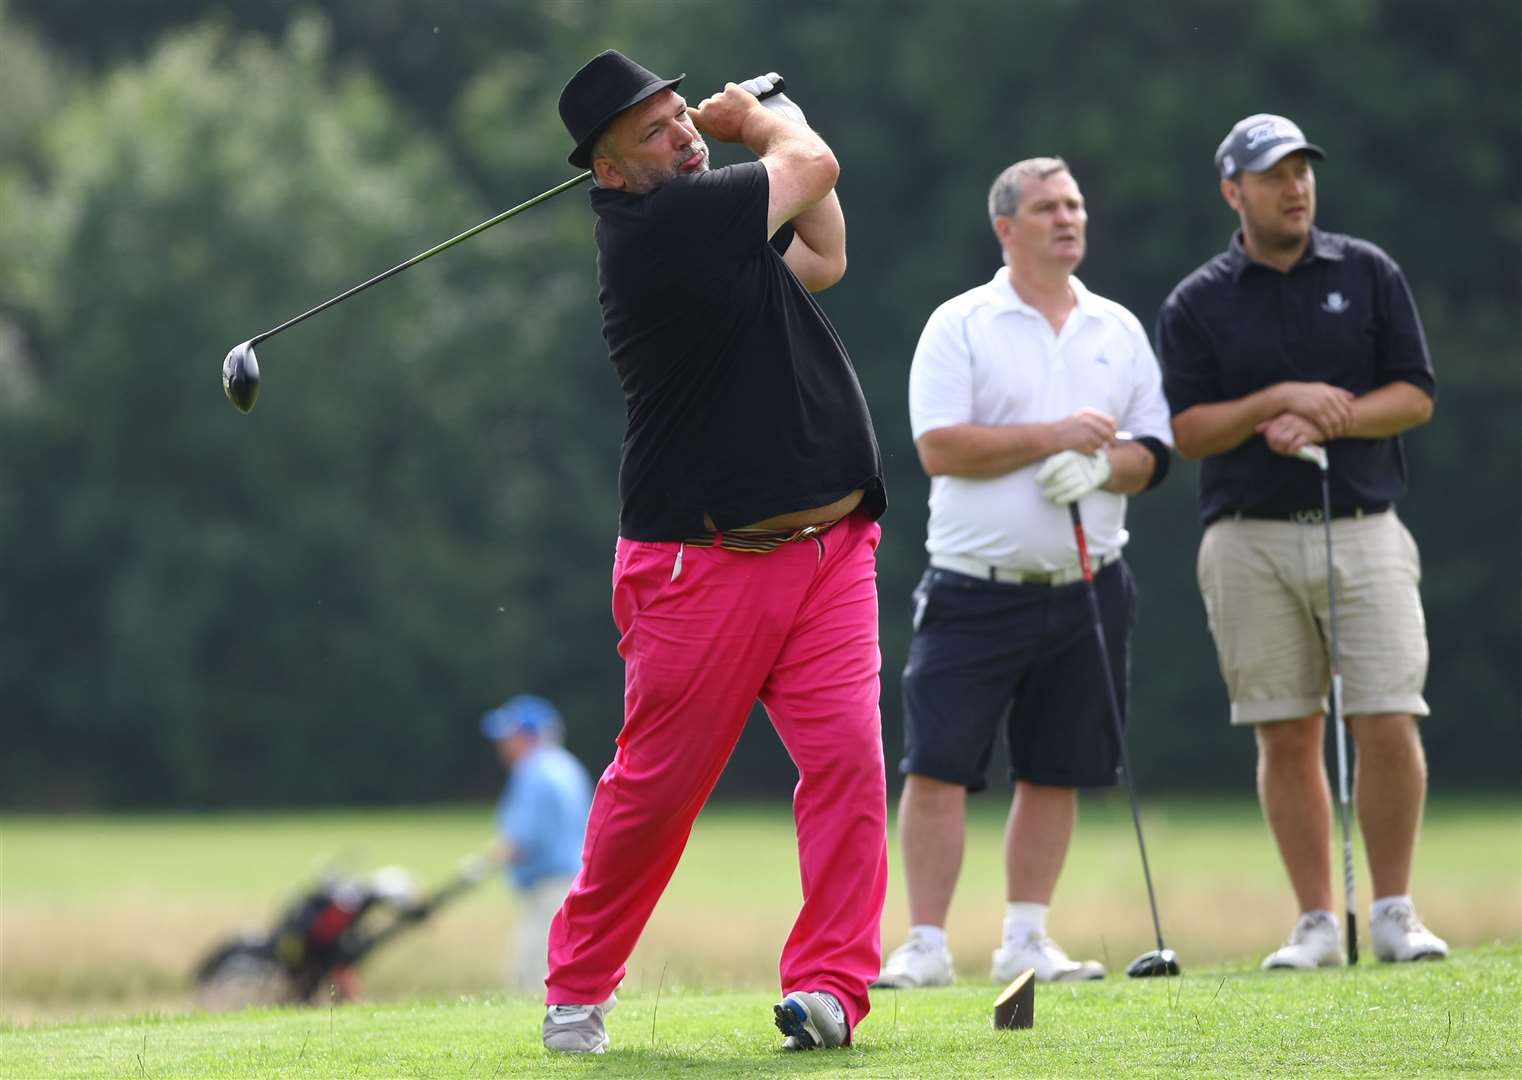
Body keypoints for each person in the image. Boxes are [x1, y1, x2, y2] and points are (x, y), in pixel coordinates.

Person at [540, 51, 889, 1054]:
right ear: (609, 172)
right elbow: (812, 172)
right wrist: (759, 121)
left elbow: (823, 252)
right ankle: (578, 988)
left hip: (831, 549)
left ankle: (828, 989)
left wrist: (773, 128)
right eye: (653, 133)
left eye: (678, 117)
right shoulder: (659, 229)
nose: (681, 137)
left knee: (849, 765)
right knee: (658, 790)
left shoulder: (710, 224)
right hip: (702, 566)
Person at [1155, 114, 1446, 970]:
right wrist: (1272, 404)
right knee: (1285, 728)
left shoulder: (1368, 273)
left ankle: (1393, 911)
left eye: (1303, 171)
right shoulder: (1197, 301)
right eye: (1275, 174)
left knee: (1388, 716)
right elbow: (1189, 430)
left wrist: (1333, 413)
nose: (1296, 187)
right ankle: (1318, 920)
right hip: (1247, 538)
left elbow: (1417, 394)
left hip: (1365, 528)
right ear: (1232, 191)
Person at [877, 157, 1173, 990]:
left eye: (1075, 204)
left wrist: (1106, 469)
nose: (1067, 218)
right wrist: (1057, 438)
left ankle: (1026, 941)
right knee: (936, 765)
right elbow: (940, 446)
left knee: (1057, 766)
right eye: (1047, 207)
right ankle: (927, 944)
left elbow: (1154, 452)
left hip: (1089, 581)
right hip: (975, 583)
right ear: (1006, 227)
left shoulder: (1116, 328)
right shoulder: (961, 323)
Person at [481, 694, 593, 993]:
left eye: (508, 736)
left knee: (532, 975)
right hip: (575, 881)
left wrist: (483, 863)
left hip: (548, 886)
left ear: (526, 735)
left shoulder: (533, 772)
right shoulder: (569, 766)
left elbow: (519, 839)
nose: (502, 745)